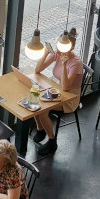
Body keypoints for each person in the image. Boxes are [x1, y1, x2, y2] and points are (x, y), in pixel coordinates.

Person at [31, 27, 85, 157]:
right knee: (34, 96)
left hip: (70, 98)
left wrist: (65, 65)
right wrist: (45, 53)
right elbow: (37, 70)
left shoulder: (75, 63)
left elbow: (66, 87)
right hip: (57, 90)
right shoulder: (57, 53)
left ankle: (51, 141)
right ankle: (40, 129)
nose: (58, 50)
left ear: (70, 48)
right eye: (58, 45)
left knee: (42, 109)